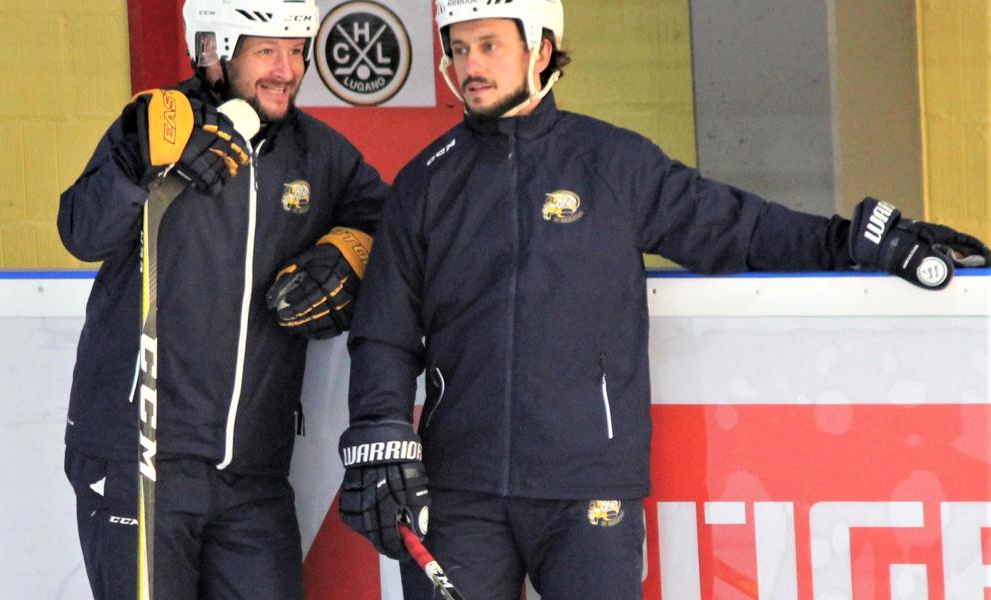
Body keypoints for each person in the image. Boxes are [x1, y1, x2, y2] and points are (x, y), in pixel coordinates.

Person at [335, 0, 991, 598]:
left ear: (540, 50)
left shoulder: (615, 164)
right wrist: (380, 433)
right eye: (458, 48)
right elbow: (386, 332)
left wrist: (852, 241)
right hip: (459, 491)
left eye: (489, 46)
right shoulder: (425, 181)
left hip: (590, 488)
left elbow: (744, 230)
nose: (470, 66)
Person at [57, 0, 388, 597]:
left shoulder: (322, 155)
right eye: (266, 51)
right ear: (212, 49)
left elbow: (383, 218)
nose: (286, 70)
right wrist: (139, 166)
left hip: (254, 478)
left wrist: (349, 252)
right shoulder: (157, 125)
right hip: (141, 464)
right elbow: (82, 233)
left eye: (296, 51)